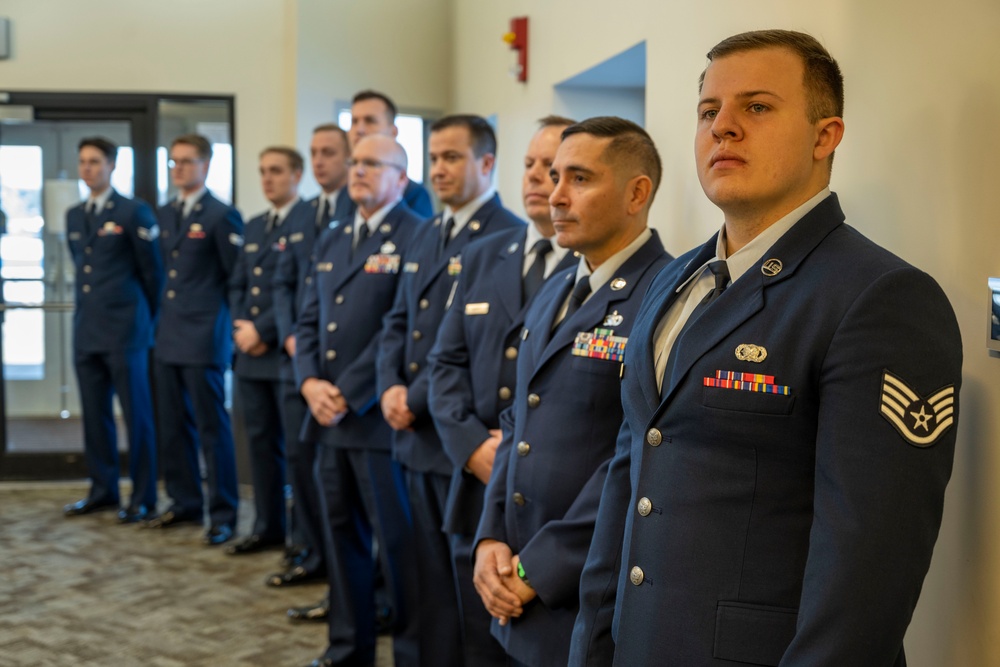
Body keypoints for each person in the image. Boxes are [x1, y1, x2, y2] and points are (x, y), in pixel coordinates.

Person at [571, 30, 962, 666]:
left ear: (824, 135)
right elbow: (631, 475)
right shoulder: (673, 281)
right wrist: (590, 646)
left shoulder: (879, 298)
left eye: (755, 107)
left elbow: (869, 568)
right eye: (708, 112)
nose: (722, 128)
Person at [472, 117, 671, 666]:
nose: (554, 195)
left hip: (589, 587)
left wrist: (540, 567)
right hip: (517, 574)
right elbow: (518, 422)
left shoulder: (668, 296)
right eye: (554, 176)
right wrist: (490, 535)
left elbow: (634, 457)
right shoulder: (560, 286)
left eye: (578, 179)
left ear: (637, 192)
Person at [427, 114, 578, 667]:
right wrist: (470, 446)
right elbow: (444, 361)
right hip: (477, 485)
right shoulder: (485, 253)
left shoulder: (592, 271)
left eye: (557, 169)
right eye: (532, 165)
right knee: (476, 640)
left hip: (549, 503)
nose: (540, 179)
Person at [377, 114, 524, 666]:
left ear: (486, 163)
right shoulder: (425, 230)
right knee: (424, 581)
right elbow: (399, 318)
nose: (439, 168)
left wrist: (410, 398)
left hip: (459, 440)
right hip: (414, 437)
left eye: (452, 157)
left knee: (468, 591)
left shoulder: (506, 235)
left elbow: (464, 347)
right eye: (434, 158)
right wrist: (388, 385)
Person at [297, 135, 424, 667]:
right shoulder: (332, 237)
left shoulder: (417, 236)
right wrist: (308, 383)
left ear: (401, 177)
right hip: (327, 416)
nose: (359, 171)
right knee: (341, 537)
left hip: (375, 420)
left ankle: (412, 653)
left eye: (373, 164)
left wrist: (346, 393)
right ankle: (348, 648)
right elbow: (308, 320)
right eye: (356, 163)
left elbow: (403, 329)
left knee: (398, 548)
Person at [145, 134, 244, 545]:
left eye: (187, 161)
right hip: (167, 335)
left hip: (204, 336)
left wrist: (231, 333)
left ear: (206, 165)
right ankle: (184, 502)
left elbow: (234, 279)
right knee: (172, 426)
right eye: (174, 162)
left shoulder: (222, 215)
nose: (180, 168)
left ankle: (222, 512)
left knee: (211, 429)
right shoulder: (165, 213)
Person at [63, 136, 163, 523]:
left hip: (126, 332)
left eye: (95, 162)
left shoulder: (133, 212)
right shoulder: (75, 214)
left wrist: (146, 322)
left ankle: (143, 497)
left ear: (112, 166)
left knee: (137, 417)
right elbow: (82, 266)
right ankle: (102, 490)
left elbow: (151, 273)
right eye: (83, 162)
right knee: (95, 415)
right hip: (87, 331)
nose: (88, 168)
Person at [269, 124, 351, 587]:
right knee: (299, 464)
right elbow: (283, 282)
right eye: (314, 153)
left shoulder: (356, 207)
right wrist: (290, 337)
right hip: (297, 361)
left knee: (335, 478)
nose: (319, 161)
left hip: (337, 368)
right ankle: (311, 551)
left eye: (328, 153)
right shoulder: (301, 214)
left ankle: (337, 566)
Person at [227, 146, 313, 554]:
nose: (268, 179)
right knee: (258, 444)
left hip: (283, 354)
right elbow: (237, 284)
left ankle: (301, 538)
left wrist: (263, 331)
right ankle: (266, 525)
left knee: (296, 451)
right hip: (250, 355)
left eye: (276, 171)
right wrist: (242, 328)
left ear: (297, 175)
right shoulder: (254, 225)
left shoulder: (309, 219)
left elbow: (300, 290)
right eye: (262, 171)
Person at [345, 90, 434, 219]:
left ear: (393, 131)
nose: (359, 129)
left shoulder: (414, 194)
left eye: (370, 121)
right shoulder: (346, 192)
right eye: (354, 121)